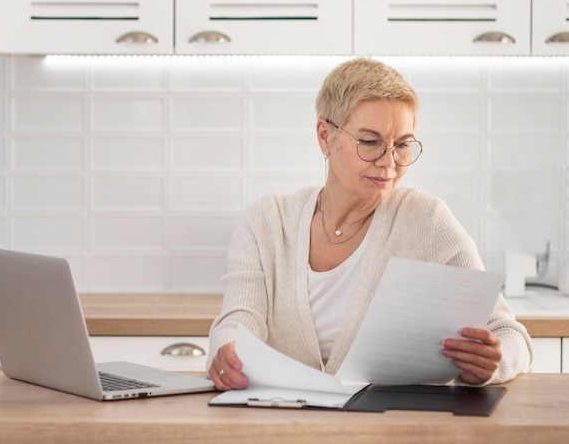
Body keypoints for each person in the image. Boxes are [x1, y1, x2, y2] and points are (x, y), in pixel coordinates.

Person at [207, 57, 533, 391]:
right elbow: (238, 317)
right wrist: (227, 350)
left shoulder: (426, 220)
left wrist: (490, 363)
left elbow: (510, 334)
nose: (389, 163)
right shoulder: (267, 221)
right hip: (284, 426)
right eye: (370, 141)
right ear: (325, 136)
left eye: (402, 145)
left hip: (394, 429)